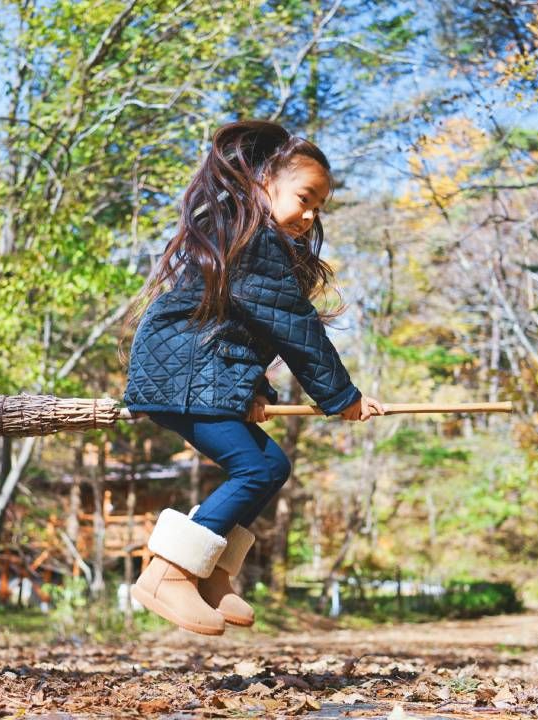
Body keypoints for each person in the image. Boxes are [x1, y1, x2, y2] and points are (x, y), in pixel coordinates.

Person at [119, 119, 384, 635]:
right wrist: (342, 396)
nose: (309, 215)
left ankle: (213, 570)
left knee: (272, 464)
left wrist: (253, 390)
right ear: (266, 183)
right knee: (254, 470)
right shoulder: (256, 241)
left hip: (201, 370)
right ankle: (169, 572)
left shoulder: (250, 240)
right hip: (182, 375)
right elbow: (292, 325)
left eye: (317, 208)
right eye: (303, 198)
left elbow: (240, 329)